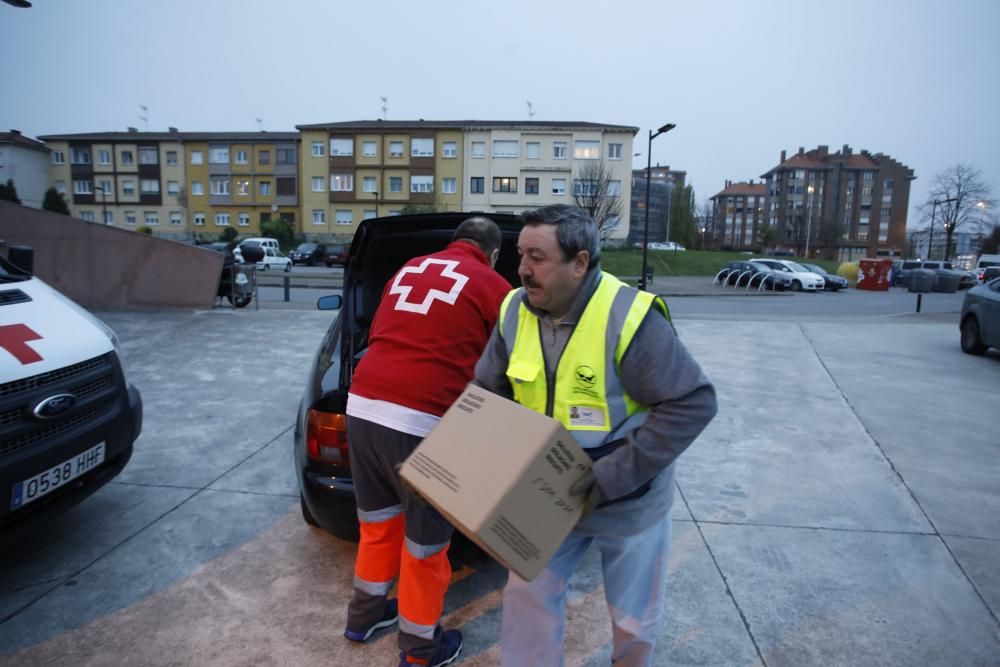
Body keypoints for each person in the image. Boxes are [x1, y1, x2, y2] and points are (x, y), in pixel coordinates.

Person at [473, 205, 717, 666]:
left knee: (632, 620)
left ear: (579, 263)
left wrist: (607, 478)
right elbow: (487, 390)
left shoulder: (629, 318)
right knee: (527, 600)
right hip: (545, 494)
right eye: (521, 254)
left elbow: (692, 402)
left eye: (538, 257)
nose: (523, 268)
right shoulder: (513, 310)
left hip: (628, 496)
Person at [343, 216, 512, 667]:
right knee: (425, 544)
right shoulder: (492, 283)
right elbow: (515, 350)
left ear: (453, 242)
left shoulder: (410, 267)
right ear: (492, 254)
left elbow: (384, 331)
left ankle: (364, 615)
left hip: (361, 404)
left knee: (378, 524)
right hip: (423, 420)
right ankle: (420, 650)